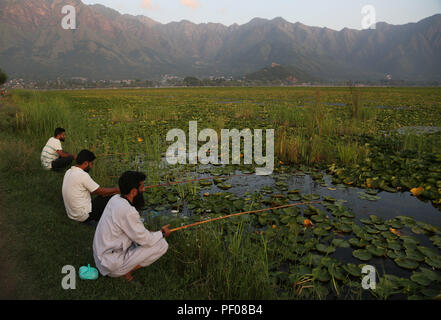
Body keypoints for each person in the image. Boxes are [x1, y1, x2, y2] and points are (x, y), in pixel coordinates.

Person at [93, 171, 170, 283]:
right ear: (134, 191)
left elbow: (134, 231)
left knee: (150, 236)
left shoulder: (115, 199)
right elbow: (146, 240)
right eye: (142, 187)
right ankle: (125, 272)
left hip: (101, 256)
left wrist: (151, 233)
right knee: (162, 244)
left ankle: (124, 267)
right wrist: (162, 233)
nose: (144, 190)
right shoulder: (128, 211)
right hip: (110, 264)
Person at [62, 149, 120, 225]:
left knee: (107, 194)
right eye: (91, 164)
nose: (91, 167)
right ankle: (111, 223)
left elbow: (93, 191)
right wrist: (117, 189)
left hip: (72, 214)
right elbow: (100, 191)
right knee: (113, 197)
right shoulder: (83, 175)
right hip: (82, 216)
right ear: (86, 163)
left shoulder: (69, 171)